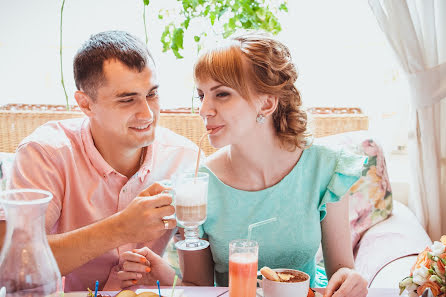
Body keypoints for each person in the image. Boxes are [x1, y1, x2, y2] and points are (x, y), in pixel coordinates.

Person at [118, 32, 369, 297]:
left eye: (222, 94)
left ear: (267, 102)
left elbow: (340, 271)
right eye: (201, 95)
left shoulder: (324, 167)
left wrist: (351, 279)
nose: (204, 109)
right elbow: (199, 289)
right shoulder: (197, 186)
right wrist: (160, 272)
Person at [0, 30, 201, 291]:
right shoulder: (46, 153)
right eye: (127, 100)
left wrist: (168, 277)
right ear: (85, 104)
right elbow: (12, 261)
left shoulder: (186, 159)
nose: (147, 113)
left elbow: (201, 282)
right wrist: (120, 228)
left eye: (152, 94)